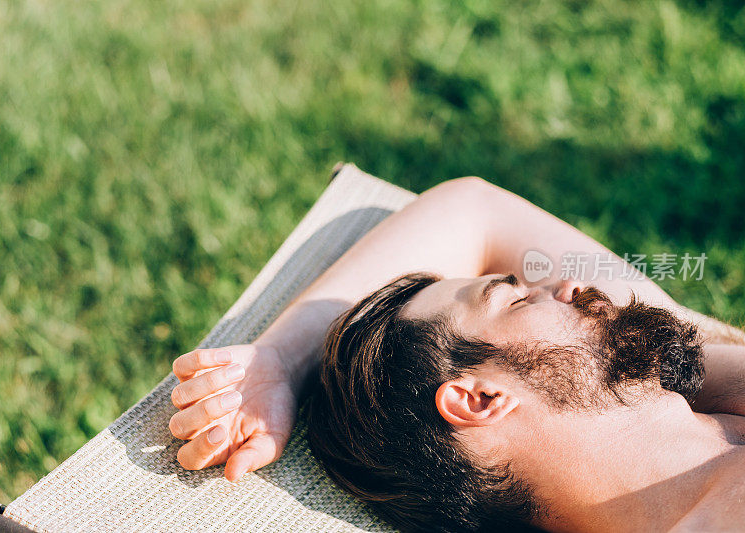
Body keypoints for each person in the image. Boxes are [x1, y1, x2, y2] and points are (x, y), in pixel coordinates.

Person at [168, 177, 745, 531]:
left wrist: (282, 359)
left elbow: (472, 211)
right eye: (516, 299)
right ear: (480, 398)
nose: (568, 284)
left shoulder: (702, 374)